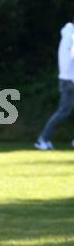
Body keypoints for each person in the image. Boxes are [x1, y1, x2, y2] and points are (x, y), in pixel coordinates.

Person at [35, 20, 74, 150]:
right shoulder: (71, 36)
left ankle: (43, 139)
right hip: (70, 79)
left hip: (66, 78)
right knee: (63, 111)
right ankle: (43, 139)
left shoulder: (67, 35)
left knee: (63, 111)